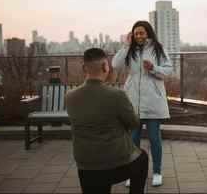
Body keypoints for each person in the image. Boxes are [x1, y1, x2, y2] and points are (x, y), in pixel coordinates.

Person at [65, 48, 148, 194]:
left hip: (85, 163)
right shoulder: (117, 95)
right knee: (142, 159)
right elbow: (134, 123)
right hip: (115, 162)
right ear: (105, 67)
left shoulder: (70, 96)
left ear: (84, 68)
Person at [112, 20, 173, 187]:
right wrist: (125, 45)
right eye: (136, 33)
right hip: (133, 102)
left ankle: (157, 172)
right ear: (133, 35)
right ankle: (132, 174)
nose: (139, 36)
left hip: (152, 101)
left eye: (142, 33)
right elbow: (115, 65)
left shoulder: (157, 49)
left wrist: (153, 68)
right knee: (133, 140)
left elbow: (168, 70)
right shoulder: (129, 50)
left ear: (148, 33)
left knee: (154, 139)